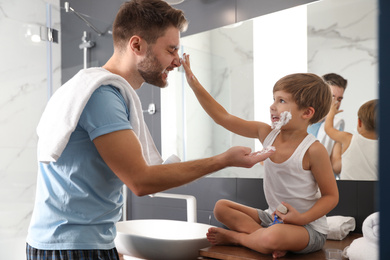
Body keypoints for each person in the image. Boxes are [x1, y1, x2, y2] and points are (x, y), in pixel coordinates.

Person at [25, 1, 273, 259]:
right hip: (74, 247)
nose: (178, 60)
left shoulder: (92, 89)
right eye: (171, 49)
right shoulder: (102, 96)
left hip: (70, 241)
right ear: (137, 45)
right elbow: (141, 181)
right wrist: (223, 160)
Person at [181, 54, 339, 258]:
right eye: (274, 99)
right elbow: (223, 117)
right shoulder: (266, 134)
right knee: (221, 208)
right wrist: (193, 82)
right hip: (273, 218)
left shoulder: (313, 150)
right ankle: (262, 239)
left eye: (281, 101)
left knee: (274, 236)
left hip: (308, 229)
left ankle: (239, 238)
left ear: (307, 113)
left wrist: (300, 219)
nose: (273, 106)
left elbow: (331, 196)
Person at [325, 99, 378, 180]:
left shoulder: (348, 138)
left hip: (347, 190)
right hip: (372, 190)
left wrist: (331, 113)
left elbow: (328, 129)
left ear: (359, 122)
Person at [307, 73, 348, 159]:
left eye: (339, 99)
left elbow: (335, 165)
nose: (335, 103)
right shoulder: (301, 119)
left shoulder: (336, 124)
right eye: (331, 97)